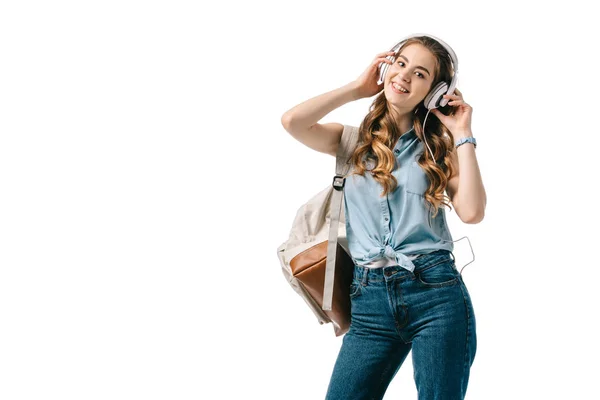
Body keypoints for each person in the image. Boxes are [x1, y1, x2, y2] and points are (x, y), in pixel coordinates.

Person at [281, 34, 486, 400]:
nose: (405, 77)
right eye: (402, 63)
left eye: (420, 74)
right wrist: (357, 89)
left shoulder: (438, 148)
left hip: (435, 294)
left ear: (435, 92)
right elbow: (293, 121)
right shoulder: (352, 142)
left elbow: (471, 212)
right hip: (368, 299)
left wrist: (463, 135)